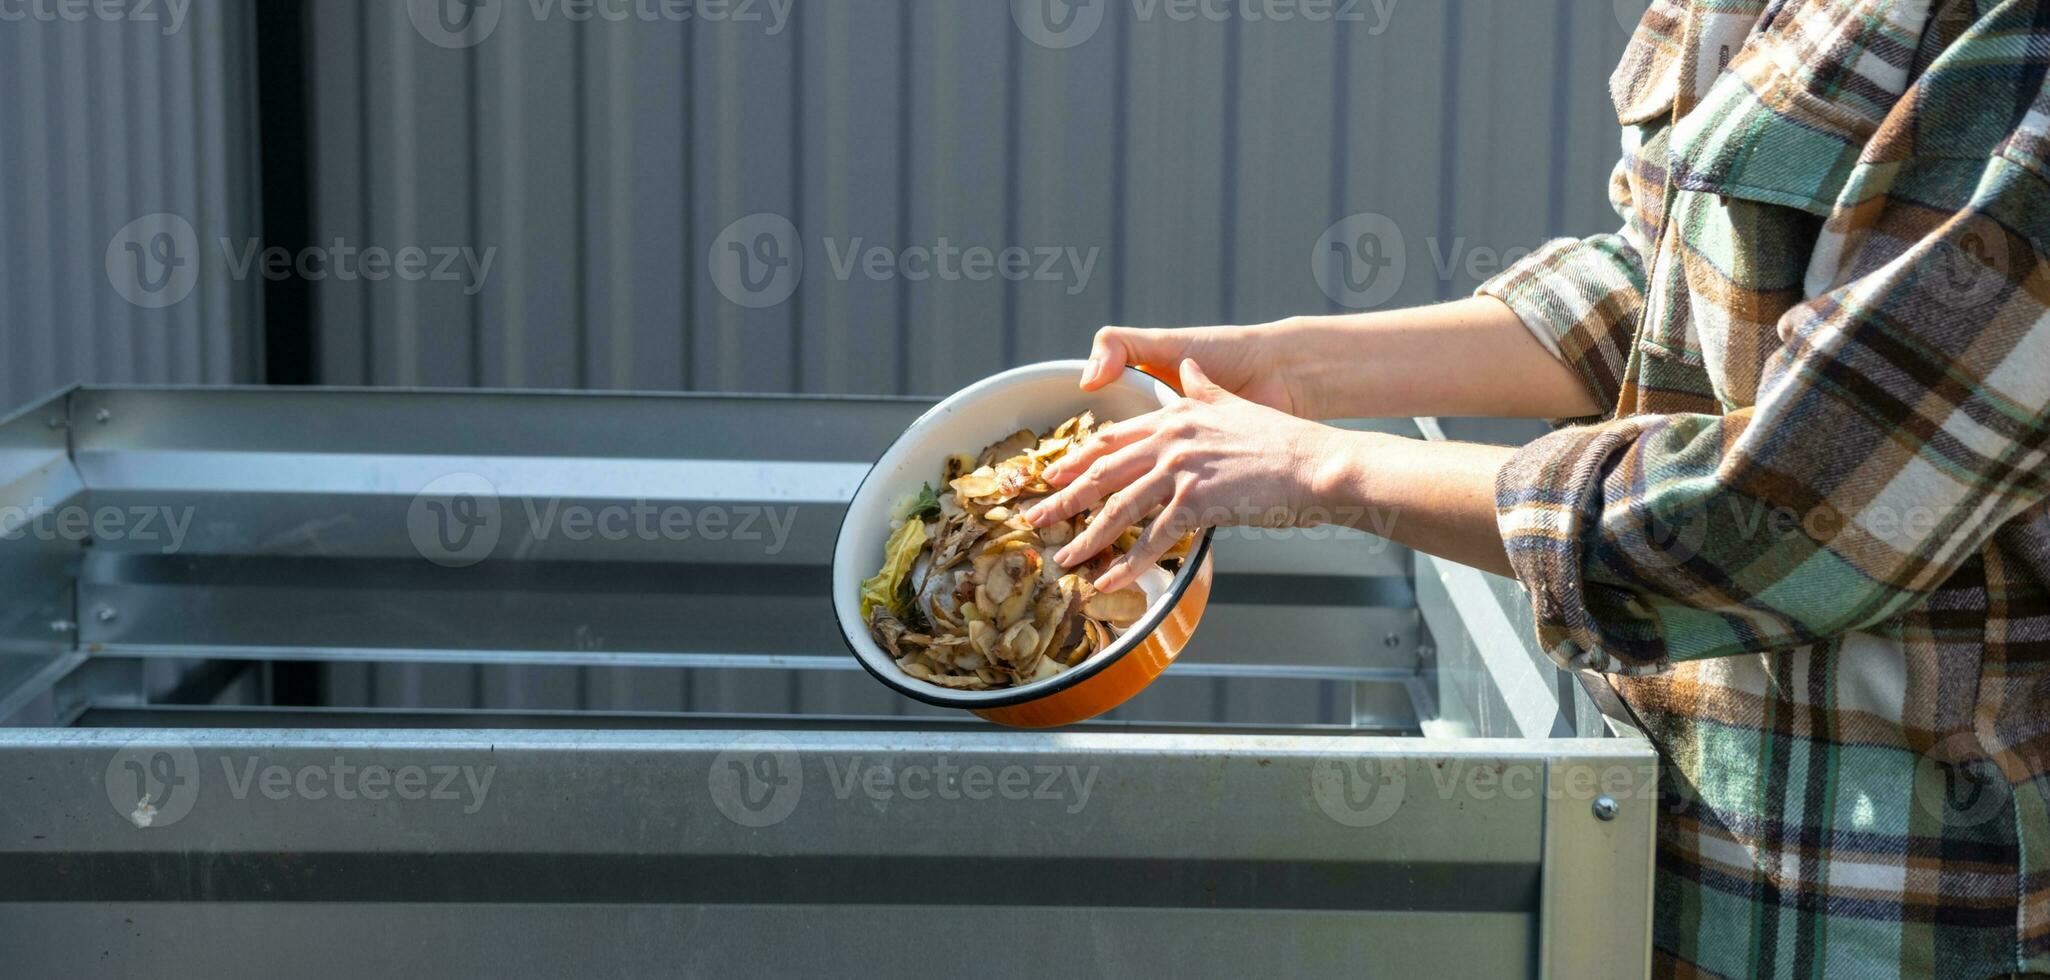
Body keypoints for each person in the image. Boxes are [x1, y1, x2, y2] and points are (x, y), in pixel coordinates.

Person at [1025, 1, 2050, 976]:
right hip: (1676, 836)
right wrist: (1297, 368)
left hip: (1887, 906)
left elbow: (1778, 516)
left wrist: (1315, 466)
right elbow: (1659, 285)